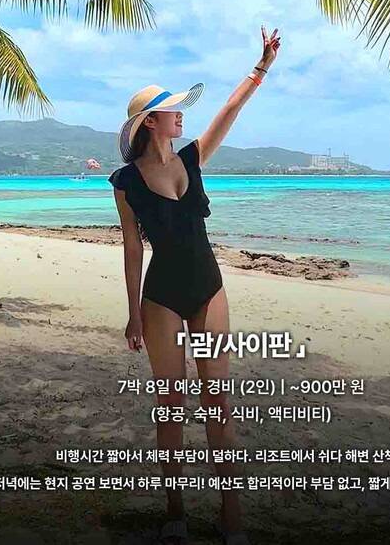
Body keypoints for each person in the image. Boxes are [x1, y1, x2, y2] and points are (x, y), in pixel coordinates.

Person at [109, 27, 281, 545]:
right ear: (150, 122)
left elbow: (229, 110)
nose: (181, 115)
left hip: (209, 288)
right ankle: (176, 511)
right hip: (160, 297)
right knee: (170, 406)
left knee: (217, 404)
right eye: (173, 110)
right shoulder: (126, 182)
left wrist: (262, 67)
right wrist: (133, 314)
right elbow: (133, 250)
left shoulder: (191, 158)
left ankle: (231, 516)